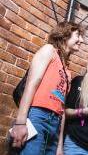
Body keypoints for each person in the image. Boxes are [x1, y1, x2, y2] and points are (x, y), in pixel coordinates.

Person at [10, 22, 84, 155]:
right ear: (65, 34)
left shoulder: (68, 71)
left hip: (55, 124)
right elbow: (31, 84)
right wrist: (20, 123)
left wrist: (59, 146)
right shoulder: (49, 50)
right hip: (38, 117)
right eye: (78, 35)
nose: (81, 40)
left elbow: (62, 108)